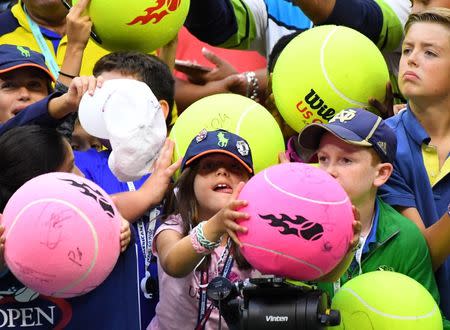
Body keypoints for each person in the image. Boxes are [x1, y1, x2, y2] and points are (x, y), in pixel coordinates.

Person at [296, 108, 441, 315]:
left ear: (381, 173)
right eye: (323, 159)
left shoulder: (405, 239)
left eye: (346, 160)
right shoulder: (294, 224)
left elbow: (427, 317)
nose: (329, 172)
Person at [73, 50, 178, 328]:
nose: (107, 108)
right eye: (100, 99)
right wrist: (147, 196)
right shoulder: (81, 163)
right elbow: (73, 214)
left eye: (118, 99)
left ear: (160, 109)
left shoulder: (188, 165)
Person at [0, 125, 140, 329]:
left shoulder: (88, 221)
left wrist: (122, 232)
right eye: (70, 168)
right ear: (38, 182)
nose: (82, 175)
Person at [133, 129, 255, 329]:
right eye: (209, 166)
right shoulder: (174, 226)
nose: (223, 172)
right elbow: (173, 263)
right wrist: (216, 225)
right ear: (190, 184)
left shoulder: (257, 233)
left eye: (235, 166)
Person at [378, 8, 450, 320]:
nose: (411, 58)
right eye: (408, 49)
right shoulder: (383, 144)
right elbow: (419, 257)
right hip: (416, 317)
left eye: (429, 52)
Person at [0, 43, 101, 135]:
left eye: (34, 85)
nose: (24, 95)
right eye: (9, 86)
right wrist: (64, 103)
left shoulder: (59, 142)